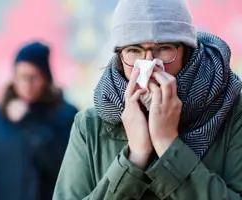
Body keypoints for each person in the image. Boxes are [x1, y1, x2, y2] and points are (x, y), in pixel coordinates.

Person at [53, 0, 242, 199]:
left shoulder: (230, 112)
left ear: (187, 53)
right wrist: (134, 158)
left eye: (164, 48)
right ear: (119, 56)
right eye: (134, 50)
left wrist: (167, 144)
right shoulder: (90, 125)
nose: (150, 64)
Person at [0, 41, 78, 200]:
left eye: (33, 77)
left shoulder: (66, 116)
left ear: (45, 78)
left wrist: (29, 124)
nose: (27, 84)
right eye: (21, 76)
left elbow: (70, 169)